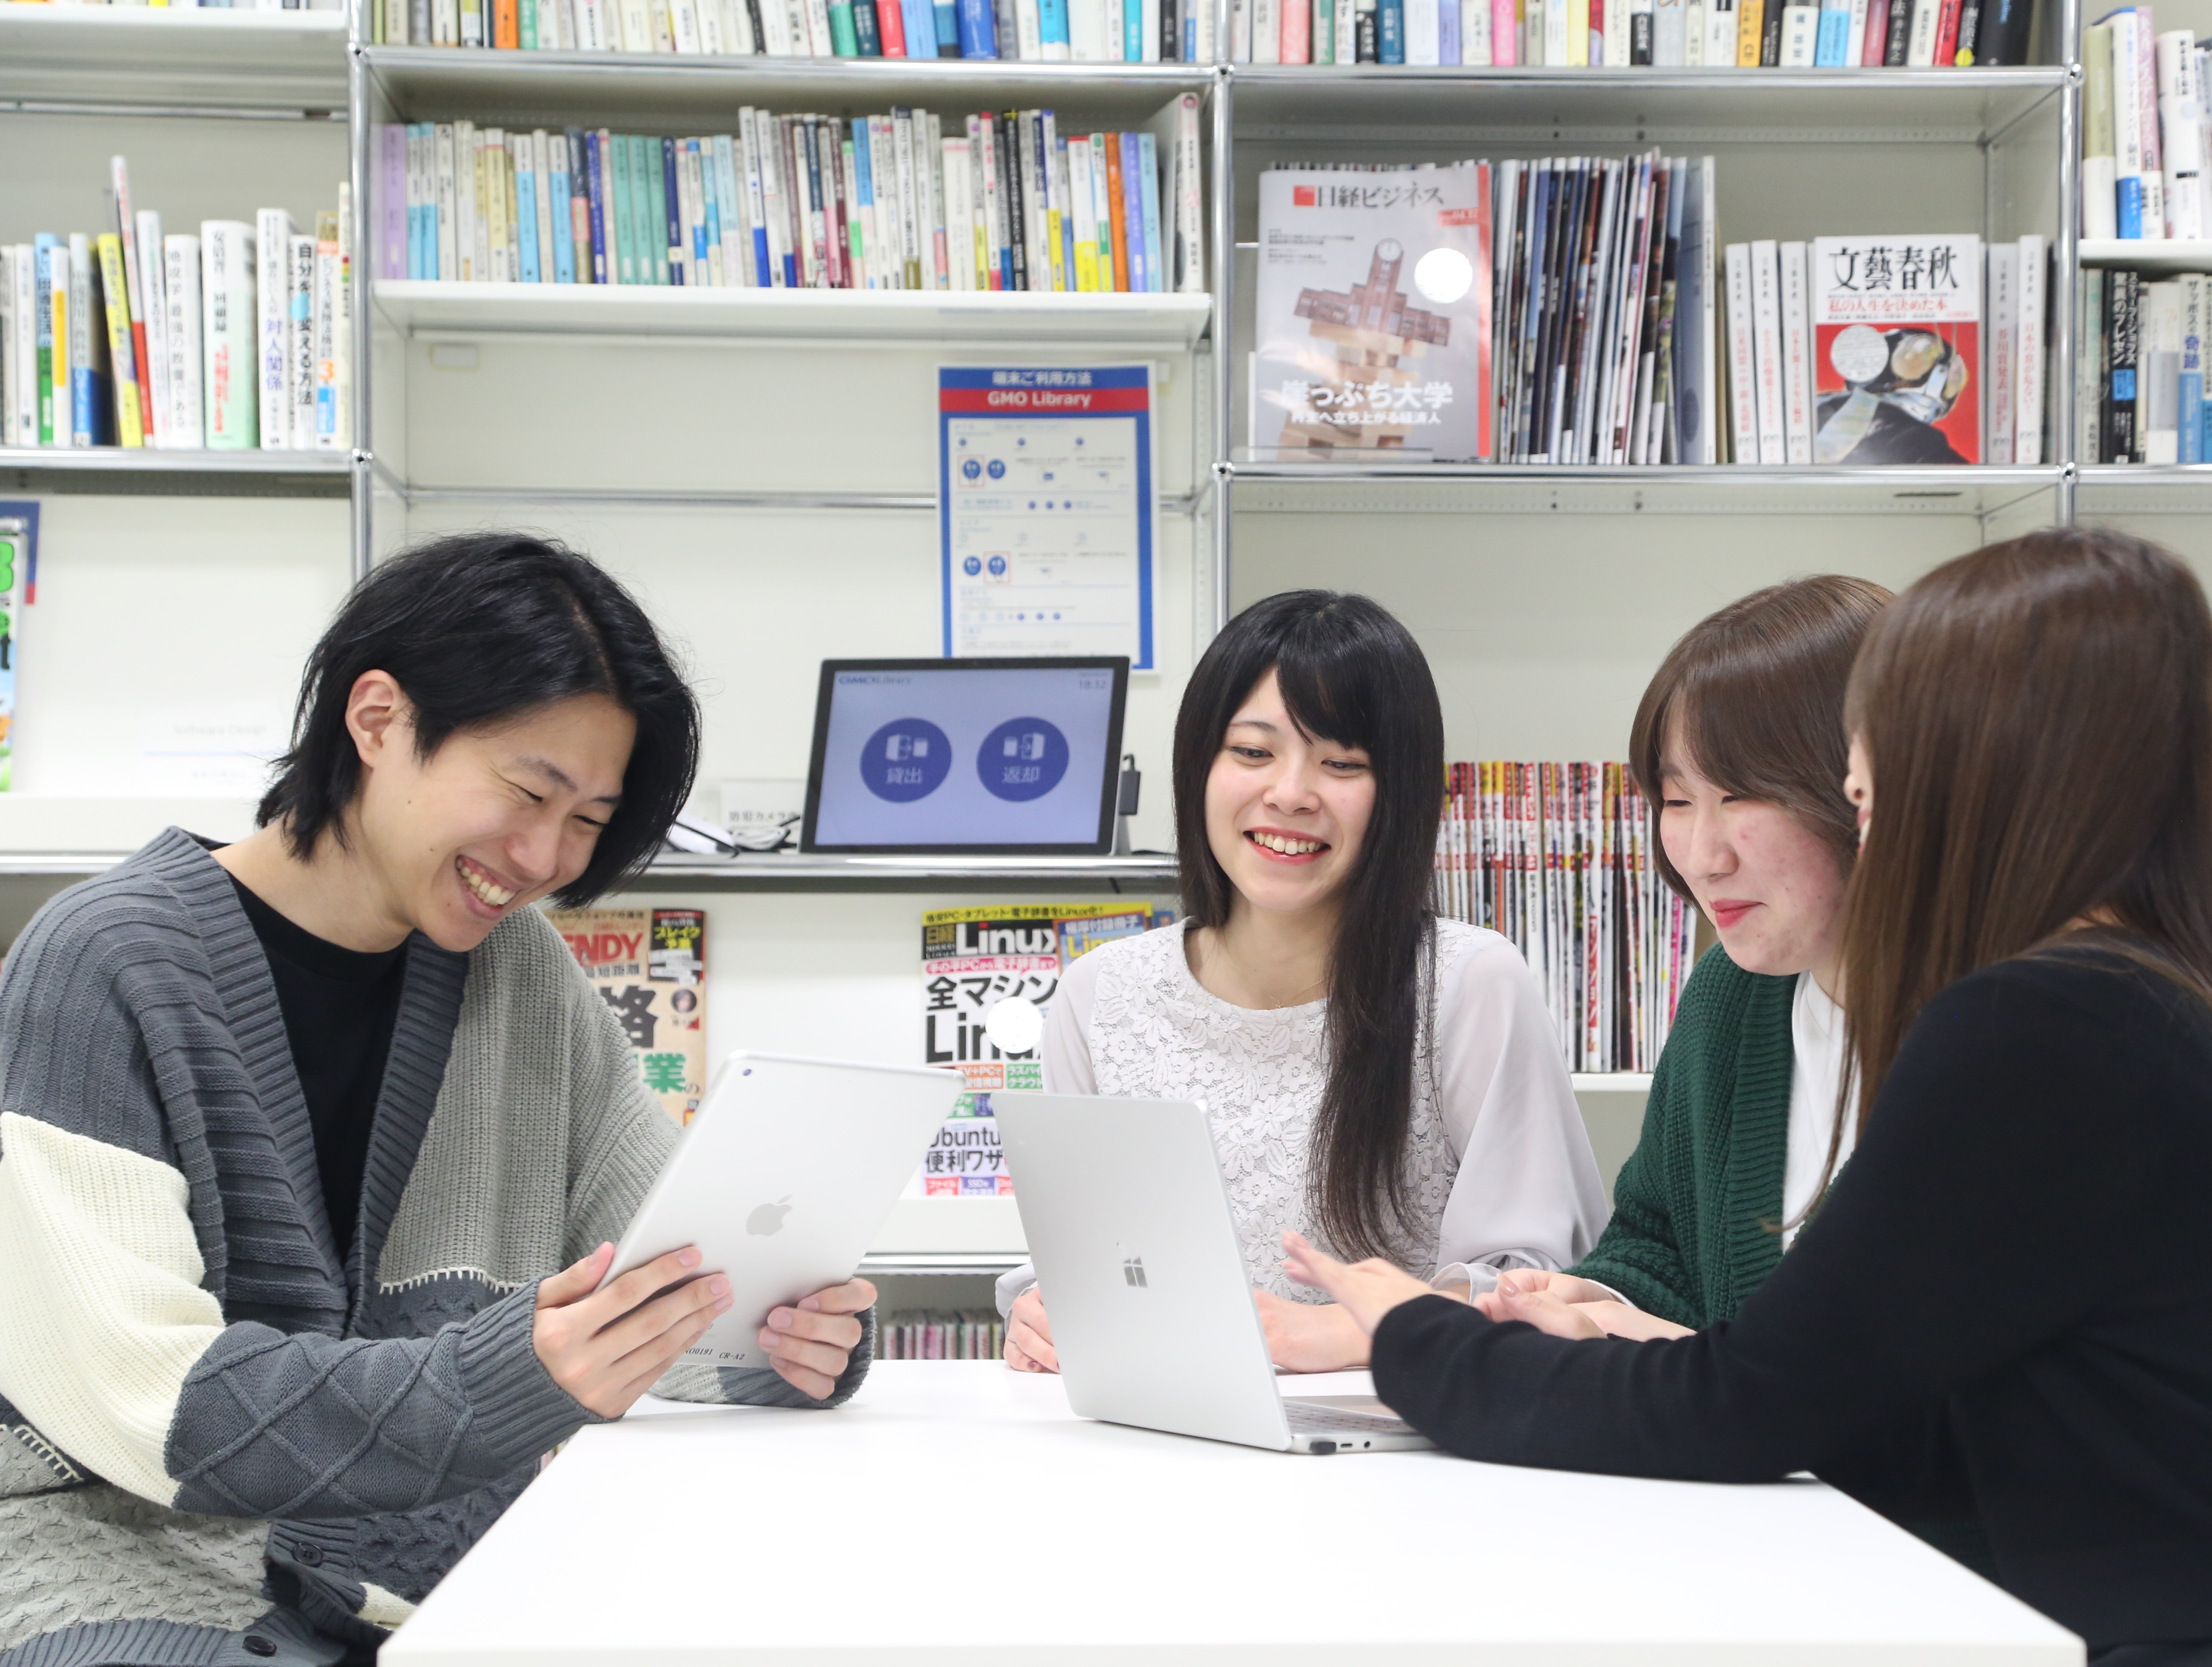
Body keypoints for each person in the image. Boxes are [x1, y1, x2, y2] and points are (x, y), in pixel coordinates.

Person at [1286, 528, 2212, 1664]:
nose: (1707, 848)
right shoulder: (2160, 997)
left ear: (1961, 787)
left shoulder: (2043, 1023)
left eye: (1863, 800)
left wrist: (1417, 1337)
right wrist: (1640, 1336)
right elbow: (1893, 1404)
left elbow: (1746, 1411)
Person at [0, 534, 876, 1667]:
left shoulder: (521, 972)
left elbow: (652, 1276)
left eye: (590, 820)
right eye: (529, 791)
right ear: (377, 720)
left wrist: (783, 1339)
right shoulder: (103, 961)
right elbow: (153, 1403)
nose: (545, 857)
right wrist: (501, 1379)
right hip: (124, 1568)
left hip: (445, 1584)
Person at [1001, 589, 1607, 1375]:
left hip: (1404, 1432)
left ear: (1399, 792)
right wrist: (1042, 1313)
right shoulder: (1099, 995)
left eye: (1342, 763)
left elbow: (1538, 1289)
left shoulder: (1468, 984)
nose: (1290, 793)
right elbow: (1079, 1258)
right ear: (1198, 765)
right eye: (1253, 753)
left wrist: (1353, 1335)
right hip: (1163, 1425)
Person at [1506, 576, 1891, 1345]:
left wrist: (1687, 1362)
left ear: (1863, 787)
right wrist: (1595, 1298)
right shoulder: (1732, 994)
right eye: (1678, 802)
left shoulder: (2007, 1028)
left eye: (1744, 796)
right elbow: (1660, 1247)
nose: (1704, 858)